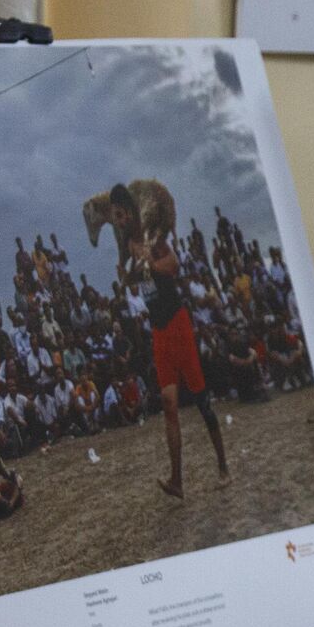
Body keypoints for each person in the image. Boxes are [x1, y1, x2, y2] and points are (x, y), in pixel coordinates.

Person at [106, 183, 228, 499]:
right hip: (158, 331)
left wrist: (148, 258)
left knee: (202, 402)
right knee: (169, 404)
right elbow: (139, 282)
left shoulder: (152, 240)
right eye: (115, 217)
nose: (118, 222)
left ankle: (223, 466)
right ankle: (177, 480)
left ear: (130, 212)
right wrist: (127, 274)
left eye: (120, 215)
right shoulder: (132, 245)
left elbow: (172, 266)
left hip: (178, 325)